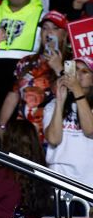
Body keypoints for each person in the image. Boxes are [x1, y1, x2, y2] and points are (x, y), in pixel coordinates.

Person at [42, 57, 93, 185]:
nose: (78, 74)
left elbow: (90, 130)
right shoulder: (52, 105)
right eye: (75, 70)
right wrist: (59, 101)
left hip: (88, 182)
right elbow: (54, 139)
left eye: (85, 71)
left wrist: (77, 90)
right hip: (59, 180)